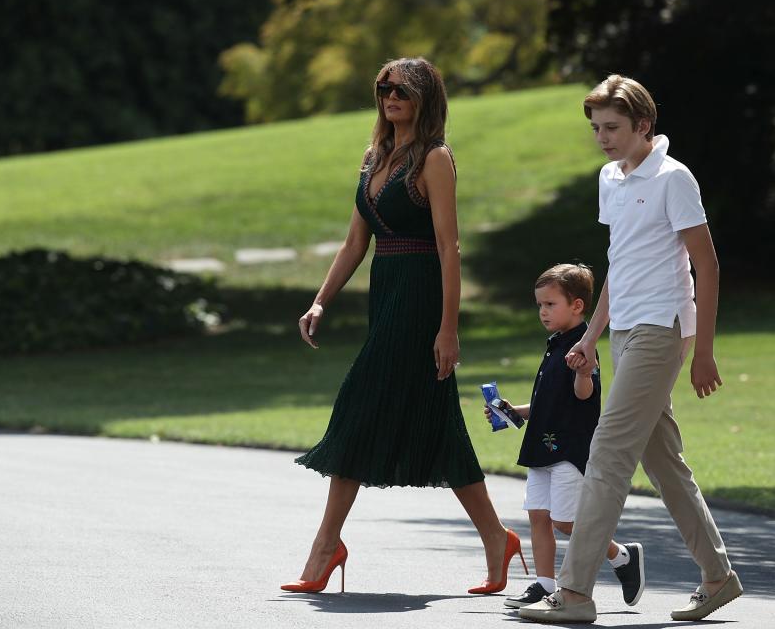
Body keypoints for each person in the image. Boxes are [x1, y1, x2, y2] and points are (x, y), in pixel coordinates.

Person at [282, 57, 526, 596]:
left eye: (402, 90)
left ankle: (326, 546)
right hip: (386, 293)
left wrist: (448, 329)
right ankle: (496, 537)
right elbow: (354, 243)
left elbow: (447, 247)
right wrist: (321, 300)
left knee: (357, 407)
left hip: (420, 301)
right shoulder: (373, 158)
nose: (391, 96)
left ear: (424, 99)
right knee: (437, 422)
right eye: (384, 88)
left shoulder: (435, 159)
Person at [519, 75, 743, 623]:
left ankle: (573, 593)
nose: (602, 137)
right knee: (662, 458)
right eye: (596, 128)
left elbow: (707, 264)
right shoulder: (609, 179)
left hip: (663, 328)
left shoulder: (673, 178)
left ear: (644, 125)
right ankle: (718, 577)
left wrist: (705, 351)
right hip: (624, 331)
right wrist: (591, 338)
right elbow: (619, 265)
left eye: (612, 127)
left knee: (608, 453)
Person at [484, 264, 645, 610]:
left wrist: (585, 373)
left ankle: (622, 557)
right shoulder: (556, 344)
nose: (543, 311)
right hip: (541, 446)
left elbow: (585, 395)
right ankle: (544, 583)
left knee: (566, 522)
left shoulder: (584, 347)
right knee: (538, 515)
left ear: (577, 306)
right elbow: (548, 401)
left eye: (550, 304)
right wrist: (514, 411)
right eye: (540, 304)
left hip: (569, 449)